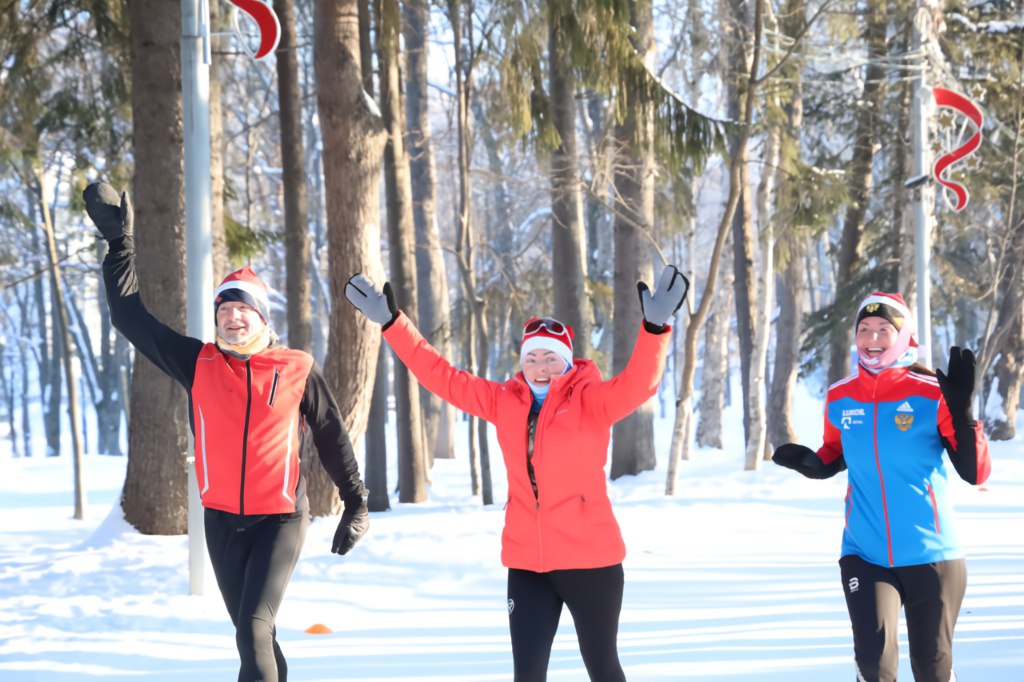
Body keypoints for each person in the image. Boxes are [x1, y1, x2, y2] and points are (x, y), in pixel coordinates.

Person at [344, 265, 688, 682]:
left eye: (550, 358)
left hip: (591, 561)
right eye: (532, 358)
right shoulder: (503, 401)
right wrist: (392, 324)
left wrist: (654, 329)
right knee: (527, 675)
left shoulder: (591, 402)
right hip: (528, 565)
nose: (540, 366)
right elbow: (441, 376)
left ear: (567, 361)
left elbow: (638, 385)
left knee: (602, 668)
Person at [83, 182, 369, 682]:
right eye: (224, 308)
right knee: (255, 633)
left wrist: (356, 503)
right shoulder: (199, 363)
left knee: (253, 631)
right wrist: (118, 246)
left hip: (280, 520)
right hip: (219, 521)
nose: (232, 317)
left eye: (243, 308)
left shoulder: (296, 367)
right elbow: (129, 318)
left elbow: (331, 435)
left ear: (261, 316)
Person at [772, 292, 991, 682]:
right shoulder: (840, 396)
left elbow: (975, 472)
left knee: (932, 668)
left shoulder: (932, 393)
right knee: (874, 666)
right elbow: (836, 451)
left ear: (904, 335)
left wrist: (963, 414)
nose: (872, 339)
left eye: (884, 329)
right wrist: (814, 464)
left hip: (932, 553)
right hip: (865, 551)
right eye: (864, 329)